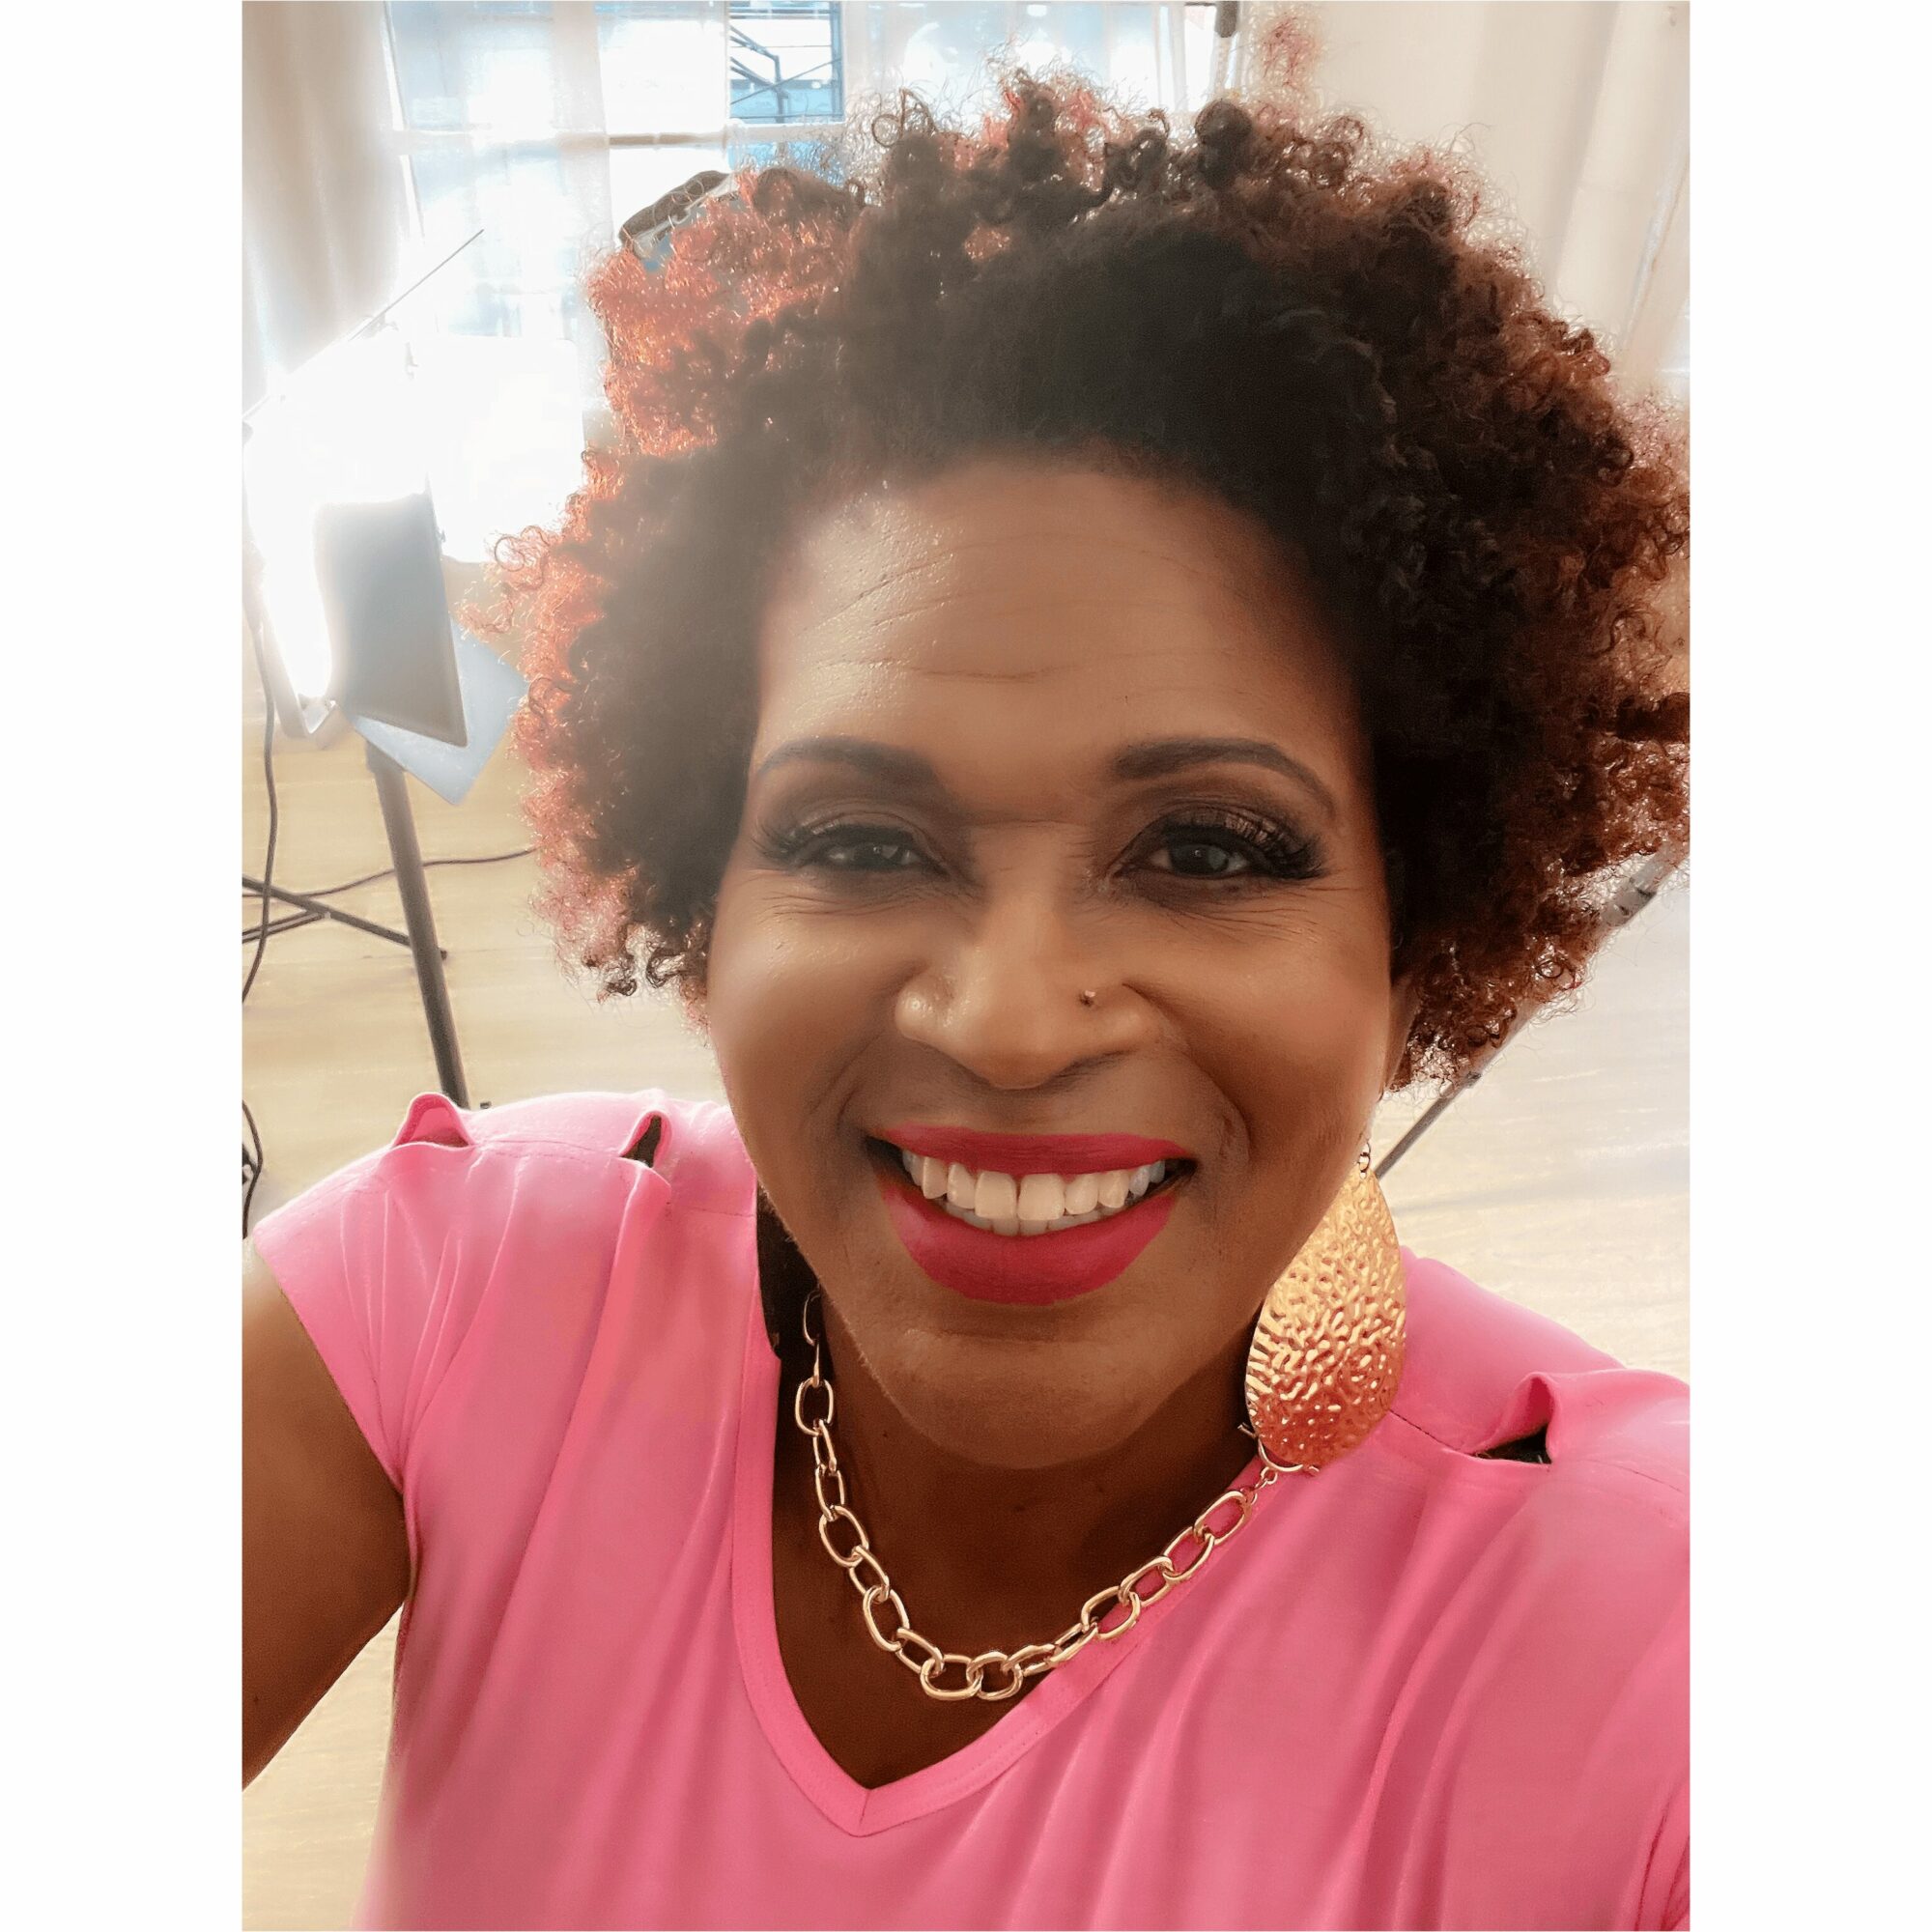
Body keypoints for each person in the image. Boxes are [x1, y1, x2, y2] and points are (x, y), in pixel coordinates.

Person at [243, 77, 1690, 1931]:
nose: (1010, 1023)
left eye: (1210, 847)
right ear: (708, 895)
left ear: (1414, 940)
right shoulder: (449, 1299)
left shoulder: (1662, 1645)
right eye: (860, 837)